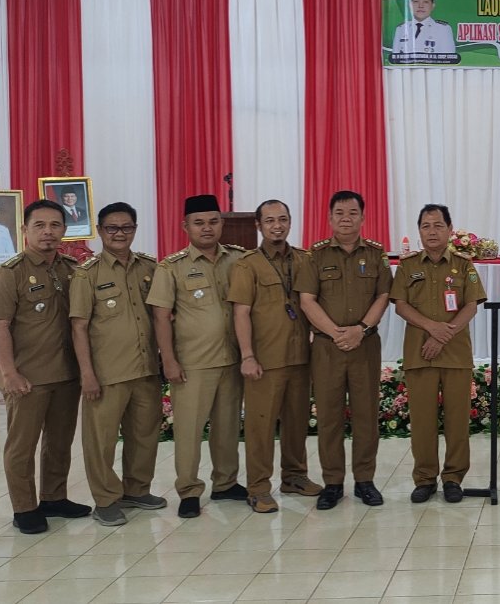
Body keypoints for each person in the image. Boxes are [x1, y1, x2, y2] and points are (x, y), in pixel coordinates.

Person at [0, 199, 88, 534]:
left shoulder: (70, 269)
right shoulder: (10, 274)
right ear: (25, 230)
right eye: (39, 225)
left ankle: (54, 497)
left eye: (55, 225)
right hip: (28, 376)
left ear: (64, 230)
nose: (48, 232)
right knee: (22, 445)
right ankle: (25, 507)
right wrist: (9, 372)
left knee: (59, 441)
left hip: (66, 373)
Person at [146, 194, 248, 519]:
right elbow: (161, 316)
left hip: (231, 360)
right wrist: (169, 361)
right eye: (199, 222)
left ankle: (226, 482)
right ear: (185, 226)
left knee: (227, 427)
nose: (207, 228)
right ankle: (189, 490)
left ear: (222, 223)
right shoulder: (172, 267)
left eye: (213, 221)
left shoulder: (239, 260)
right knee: (189, 430)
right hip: (193, 363)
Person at [70, 203, 167, 526]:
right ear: (100, 231)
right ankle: (106, 499)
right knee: (101, 441)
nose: (119, 234)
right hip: (107, 373)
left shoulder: (150, 268)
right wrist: (87, 374)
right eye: (112, 228)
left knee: (145, 434)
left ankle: (137, 489)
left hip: (145, 369)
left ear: (135, 229)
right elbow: (79, 326)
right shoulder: (87, 274)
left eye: (126, 227)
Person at [296, 190, 391, 510]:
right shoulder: (316, 255)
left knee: (366, 416)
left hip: (364, 345)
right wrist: (336, 333)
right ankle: (333, 482)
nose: (346, 218)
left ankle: (365, 480)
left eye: (352, 213)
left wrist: (360, 330)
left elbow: (383, 297)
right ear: (329, 218)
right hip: (327, 348)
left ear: (363, 218)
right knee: (329, 417)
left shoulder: (377, 254)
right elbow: (306, 300)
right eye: (339, 213)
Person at [227, 200, 323, 514]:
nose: (277, 226)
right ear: (258, 225)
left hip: (299, 356)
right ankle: (258, 487)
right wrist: (248, 356)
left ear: (291, 221)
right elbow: (240, 312)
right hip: (265, 360)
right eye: (269, 221)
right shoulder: (247, 264)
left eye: (282, 219)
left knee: (296, 423)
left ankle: (295, 476)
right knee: (261, 426)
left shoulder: (304, 260)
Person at [392, 204, 486, 503]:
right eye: (425, 226)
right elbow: (401, 305)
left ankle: (453, 478)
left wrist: (445, 333)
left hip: (455, 354)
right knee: (422, 420)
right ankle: (424, 479)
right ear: (419, 231)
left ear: (449, 229)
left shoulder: (464, 264)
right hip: (420, 353)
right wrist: (433, 328)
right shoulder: (407, 266)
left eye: (437, 225)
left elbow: (471, 304)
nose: (431, 232)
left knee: (457, 420)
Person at [392, 0, 456, 56]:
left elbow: (448, 61)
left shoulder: (443, 29)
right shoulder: (401, 29)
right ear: (410, 5)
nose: (420, 6)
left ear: (432, 6)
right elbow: (395, 60)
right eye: (416, 1)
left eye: (426, 2)